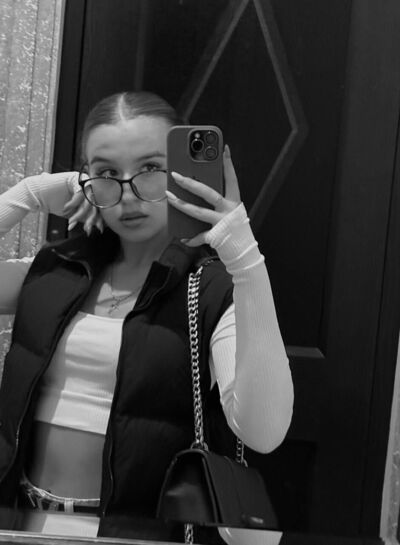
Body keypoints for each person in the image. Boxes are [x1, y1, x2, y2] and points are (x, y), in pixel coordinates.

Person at [0, 91, 293, 542]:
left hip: (135, 535)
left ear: (182, 172)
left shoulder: (210, 291)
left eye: (151, 168)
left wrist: (243, 254)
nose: (128, 193)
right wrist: (31, 193)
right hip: (23, 525)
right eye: (107, 173)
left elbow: (263, 431)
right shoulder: (55, 269)